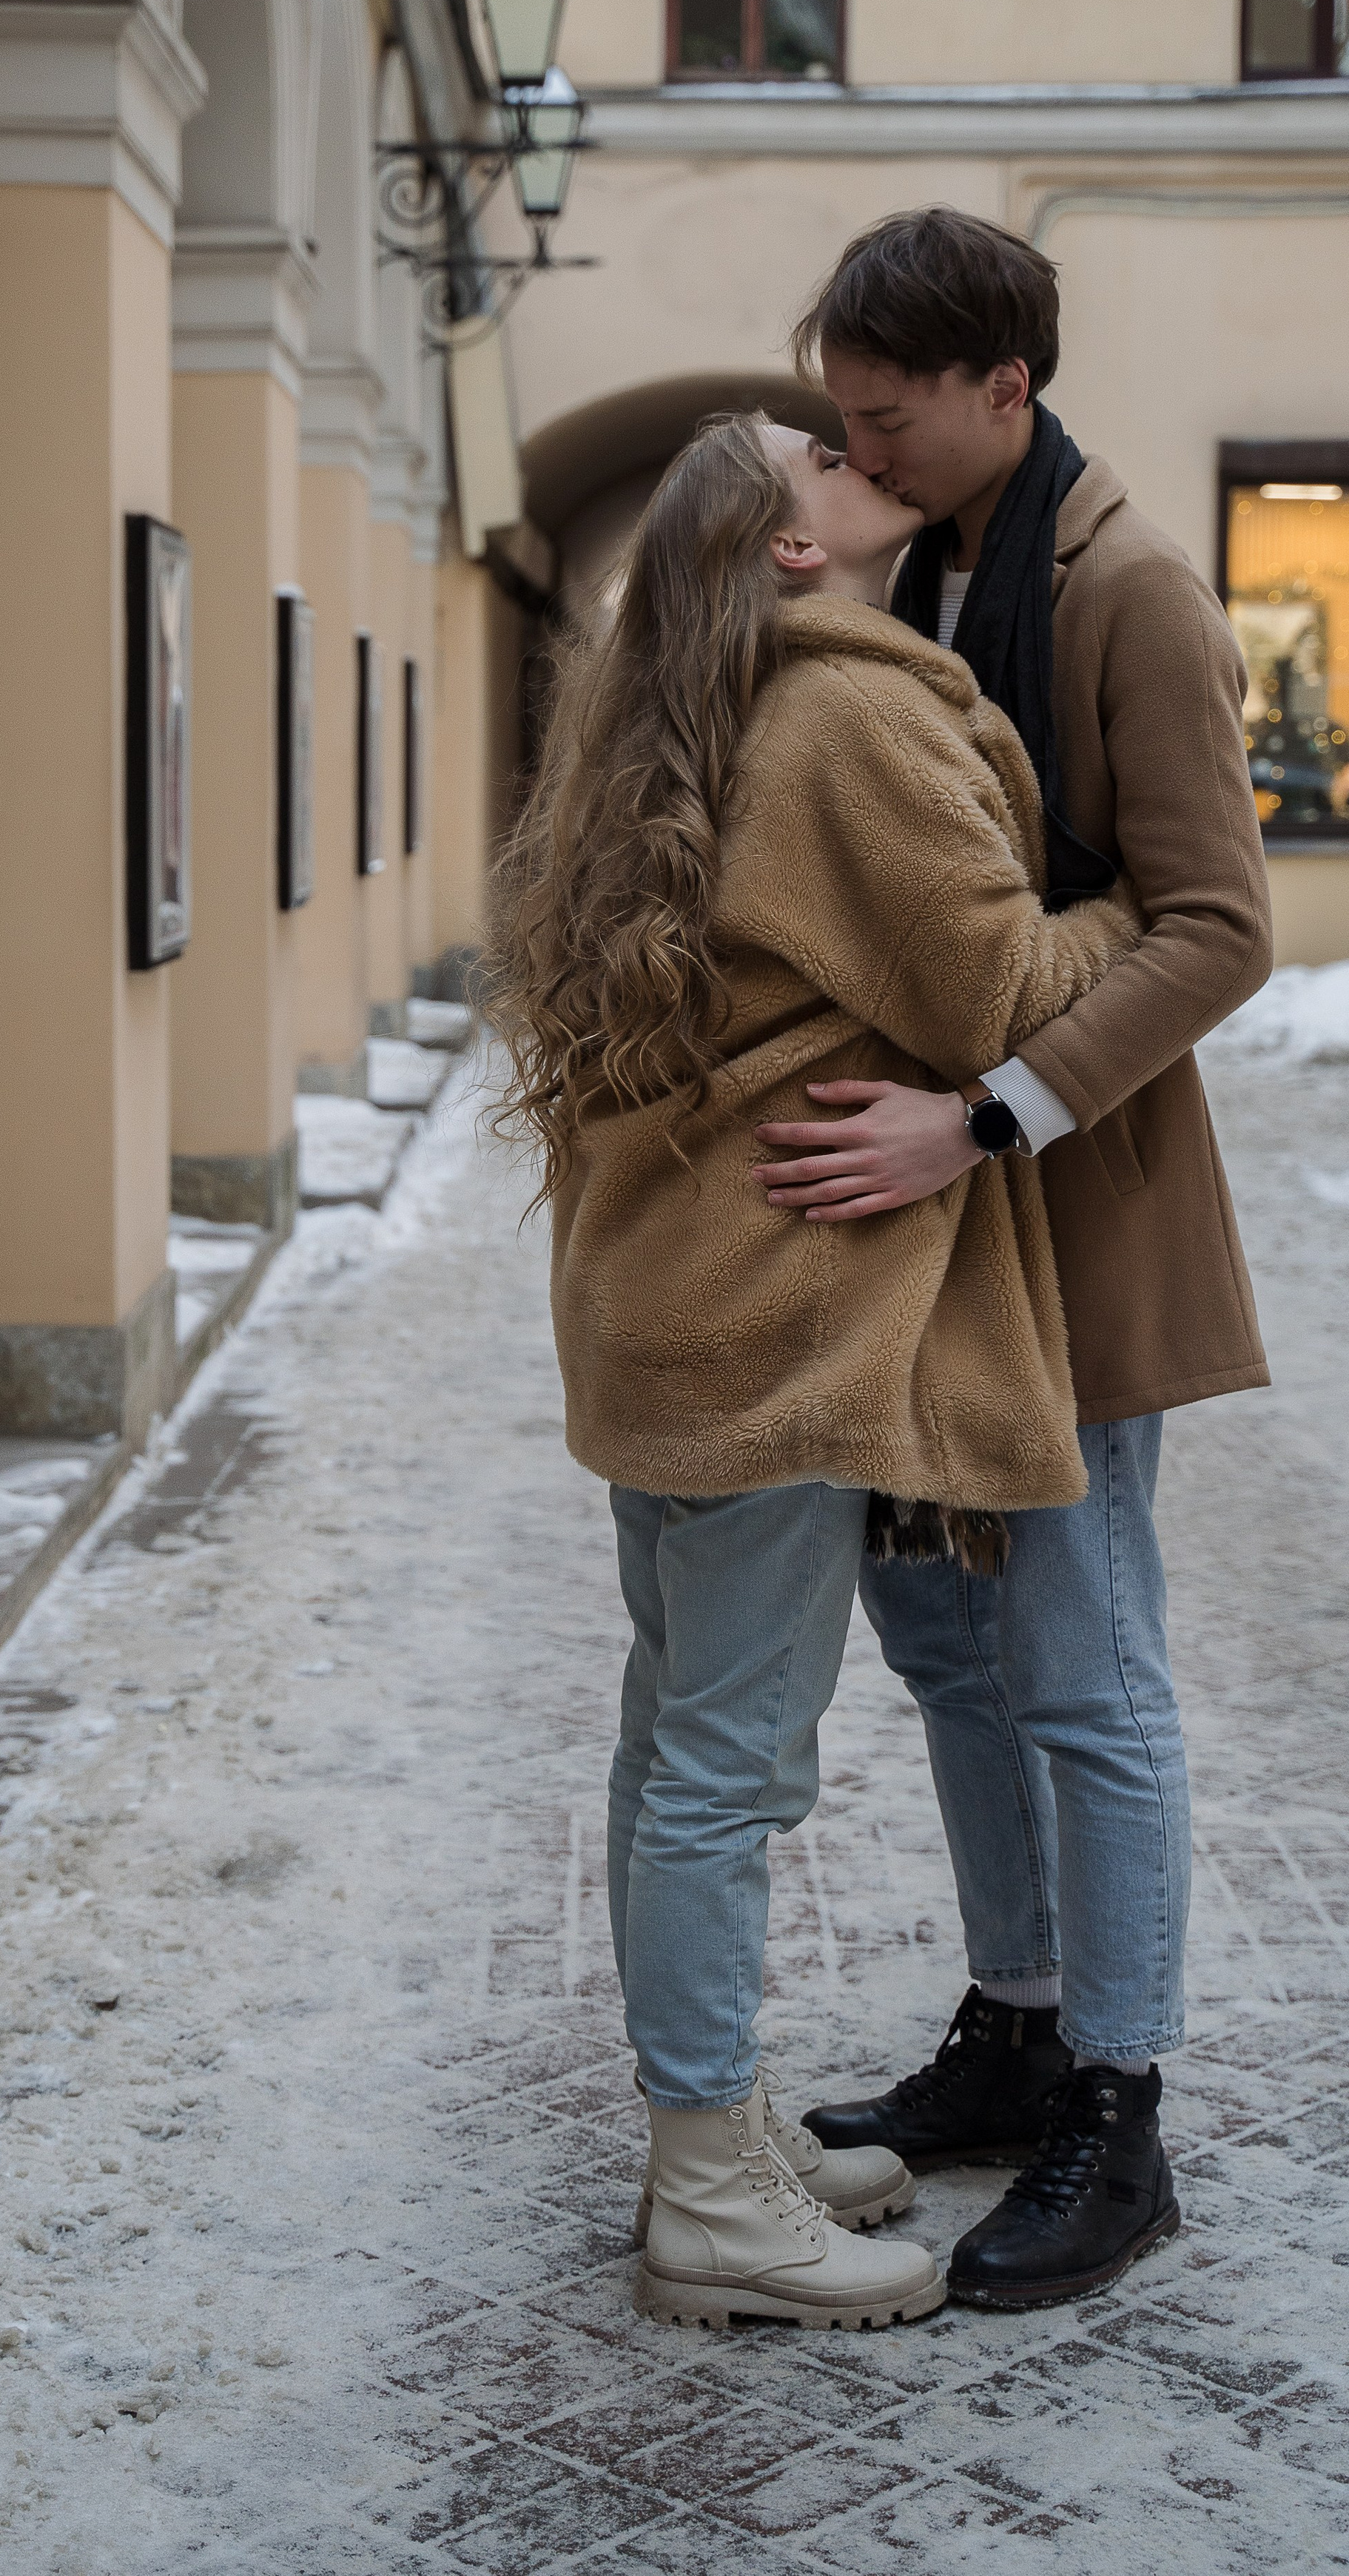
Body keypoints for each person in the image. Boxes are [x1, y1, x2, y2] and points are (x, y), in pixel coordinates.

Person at [489, 409, 1143, 2333]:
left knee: (667, 1739)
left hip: (663, 1308)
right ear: (791, 551)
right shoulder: (852, 716)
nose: (863, 461)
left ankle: (716, 2131)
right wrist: (1142, 915)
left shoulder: (671, 715)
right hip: (776, 1328)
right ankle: (708, 2193)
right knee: (724, 1771)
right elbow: (1006, 997)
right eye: (824, 464)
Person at [755, 206, 1271, 2309]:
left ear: (1006, 392)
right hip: (929, 1232)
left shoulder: (1128, 585)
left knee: (1083, 1652)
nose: (849, 447)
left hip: (1068, 1197)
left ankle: (1119, 2114)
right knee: (946, 1640)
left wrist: (986, 1115)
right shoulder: (938, 548)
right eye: (836, 418)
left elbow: (1222, 924)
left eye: (884, 420)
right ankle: (1022, 2019)